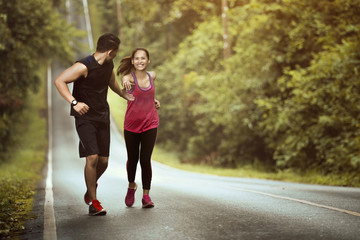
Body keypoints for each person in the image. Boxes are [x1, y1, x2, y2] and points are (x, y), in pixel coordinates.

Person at [54, 33, 134, 216]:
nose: (116, 55)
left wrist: (123, 94)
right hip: (85, 118)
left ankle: (91, 186)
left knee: (104, 162)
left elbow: (111, 81)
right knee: (93, 158)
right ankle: (94, 202)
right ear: (110, 51)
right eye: (116, 52)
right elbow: (59, 81)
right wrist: (74, 102)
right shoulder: (83, 66)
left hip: (102, 115)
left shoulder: (108, 64)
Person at [117, 48, 160, 208]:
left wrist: (154, 100)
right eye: (137, 59)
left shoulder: (152, 75)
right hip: (131, 125)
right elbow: (124, 81)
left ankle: (146, 196)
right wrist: (124, 83)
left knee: (145, 159)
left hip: (151, 123)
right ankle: (131, 186)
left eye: (143, 58)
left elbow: (147, 94)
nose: (140, 61)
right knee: (133, 159)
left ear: (148, 60)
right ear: (133, 61)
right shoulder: (129, 78)